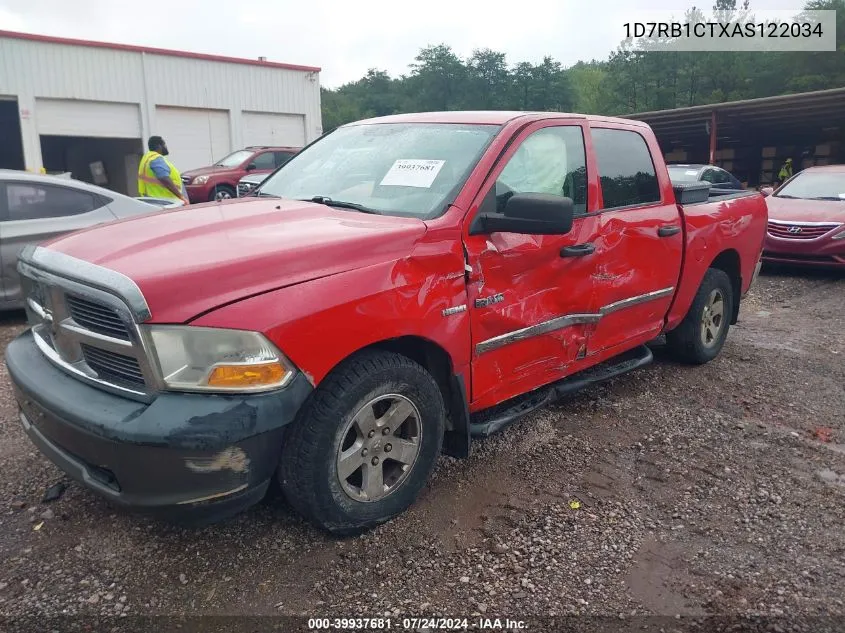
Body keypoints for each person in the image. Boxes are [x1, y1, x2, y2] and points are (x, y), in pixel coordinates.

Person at [138, 136, 189, 204]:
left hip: (155, 200)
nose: (166, 147)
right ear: (159, 146)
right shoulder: (156, 159)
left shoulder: (147, 158)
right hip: (165, 201)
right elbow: (164, 178)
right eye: (164, 144)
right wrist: (181, 197)